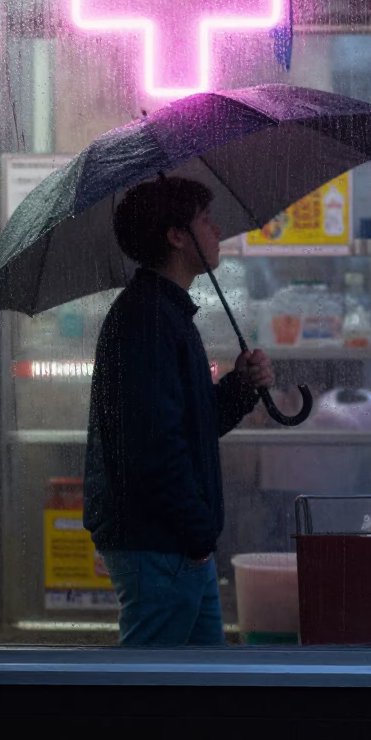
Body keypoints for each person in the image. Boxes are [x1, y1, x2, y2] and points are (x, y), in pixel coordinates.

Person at [83, 176, 274, 646]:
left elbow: (188, 425)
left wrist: (240, 386)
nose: (217, 229)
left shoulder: (164, 313)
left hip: (175, 542)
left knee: (200, 690)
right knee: (152, 692)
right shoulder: (147, 320)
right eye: (206, 220)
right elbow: (155, 447)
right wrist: (196, 534)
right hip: (162, 544)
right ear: (176, 236)